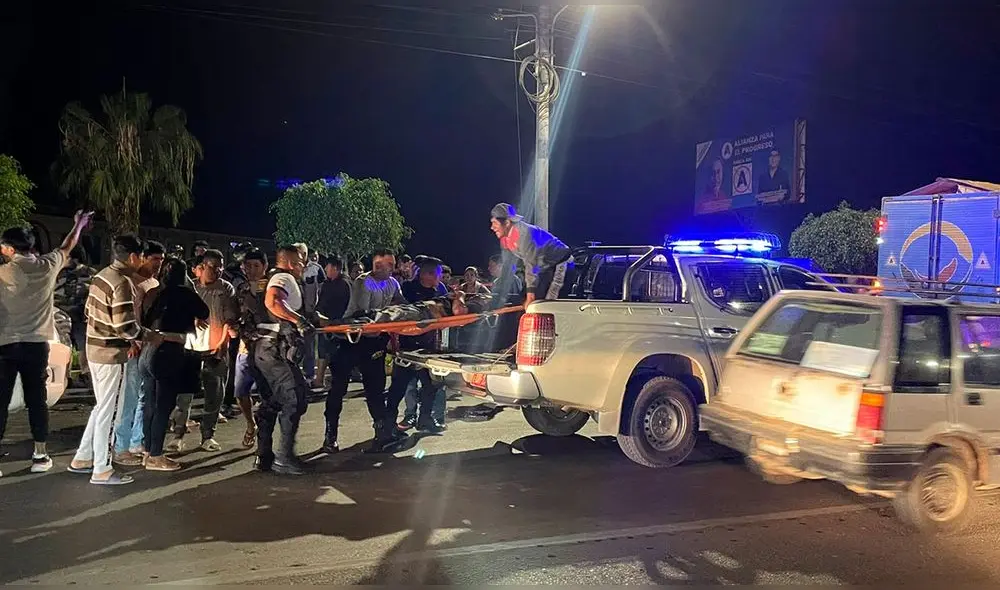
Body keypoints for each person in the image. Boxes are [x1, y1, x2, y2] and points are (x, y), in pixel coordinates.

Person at [0, 211, 93, 477]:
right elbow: (67, 246)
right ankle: (40, 454)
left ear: (9, 248)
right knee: (37, 401)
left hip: (6, 345)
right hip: (38, 345)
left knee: (0, 401)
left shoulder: (3, 273)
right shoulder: (48, 265)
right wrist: (77, 224)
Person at [69, 234, 155, 485]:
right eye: (140, 256)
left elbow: (88, 311)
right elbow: (126, 327)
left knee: (101, 407)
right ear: (133, 256)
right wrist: (150, 336)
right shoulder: (122, 283)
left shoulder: (100, 276)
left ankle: (83, 458)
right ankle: (102, 469)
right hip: (110, 354)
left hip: (94, 350)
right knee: (111, 411)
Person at [324, 249, 406, 454]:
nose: (393, 268)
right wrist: (390, 316)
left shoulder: (392, 283)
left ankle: (382, 432)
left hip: (374, 341)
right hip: (351, 340)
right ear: (377, 266)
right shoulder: (366, 282)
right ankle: (330, 434)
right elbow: (364, 314)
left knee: (376, 388)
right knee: (338, 389)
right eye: (389, 264)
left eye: (393, 264)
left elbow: (400, 302)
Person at [140, 258, 208, 471]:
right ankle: (156, 456)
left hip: (149, 349)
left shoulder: (158, 294)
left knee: (150, 403)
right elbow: (204, 312)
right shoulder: (186, 293)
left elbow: (147, 319)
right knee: (164, 405)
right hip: (169, 349)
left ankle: (148, 450)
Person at [254, 245, 313, 475]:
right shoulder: (283, 277)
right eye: (299, 261)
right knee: (295, 399)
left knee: (273, 401)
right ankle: (284, 458)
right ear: (289, 262)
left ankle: (264, 456)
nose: (303, 266)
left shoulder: (272, 277)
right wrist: (298, 321)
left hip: (265, 349)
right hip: (275, 350)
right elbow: (273, 302)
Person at [112, 240, 164, 466]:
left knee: (145, 397)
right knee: (129, 397)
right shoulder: (131, 282)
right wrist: (132, 342)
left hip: (148, 347)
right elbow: (127, 317)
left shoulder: (154, 282)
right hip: (134, 347)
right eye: (154, 260)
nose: (158, 265)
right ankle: (121, 446)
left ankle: (136, 441)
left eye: (161, 261)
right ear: (142, 258)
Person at [387, 257, 448, 434]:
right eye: (437, 274)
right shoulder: (407, 289)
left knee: (430, 386)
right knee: (399, 387)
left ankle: (425, 419)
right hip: (407, 347)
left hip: (429, 347)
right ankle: (388, 424)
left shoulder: (440, 291)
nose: (440, 278)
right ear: (425, 274)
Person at [189, 249, 240, 452]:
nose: (218, 271)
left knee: (215, 392)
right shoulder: (190, 287)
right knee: (184, 394)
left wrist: (224, 341)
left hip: (216, 347)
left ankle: (208, 435)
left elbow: (230, 317)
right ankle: (178, 433)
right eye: (213, 266)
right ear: (200, 267)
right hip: (190, 347)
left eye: (220, 266)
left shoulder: (226, 289)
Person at [489, 203, 571, 306]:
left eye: (495, 223)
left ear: (507, 222)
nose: (492, 227)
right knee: (523, 300)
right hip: (543, 268)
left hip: (559, 263)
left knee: (546, 304)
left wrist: (530, 297)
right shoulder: (505, 239)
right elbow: (508, 265)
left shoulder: (524, 234)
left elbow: (531, 265)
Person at [232, 248, 270, 448]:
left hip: (267, 348)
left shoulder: (273, 288)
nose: (252, 270)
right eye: (248, 266)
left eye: (256, 266)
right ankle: (250, 424)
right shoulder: (241, 289)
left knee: (266, 394)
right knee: (240, 391)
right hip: (245, 347)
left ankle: (265, 439)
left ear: (265, 267)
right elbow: (238, 315)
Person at [54, 245, 95, 386]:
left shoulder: (89, 274)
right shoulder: (57, 273)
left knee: (82, 346)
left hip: (78, 316)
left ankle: (85, 375)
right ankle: (66, 377)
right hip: (60, 317)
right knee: (65, 346)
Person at [315, 254, 352, 388]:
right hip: (325, 323)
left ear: (335, 268)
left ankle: (334, 381)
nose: (325, 269)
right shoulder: (327, 283)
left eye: (328, 266)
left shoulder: (345, 284)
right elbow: (321, 302)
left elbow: (348, 306)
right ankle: (319, 379)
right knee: (323, 351)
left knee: (333, 353)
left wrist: (337, 322)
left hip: (337, 326)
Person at [296, 244, 324, 387]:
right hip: (294, 314)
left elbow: (322, 289)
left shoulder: (316, 269)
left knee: (310, 346)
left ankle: (309, 376)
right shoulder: (292, 269)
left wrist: (318, 310)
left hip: (311, 313)